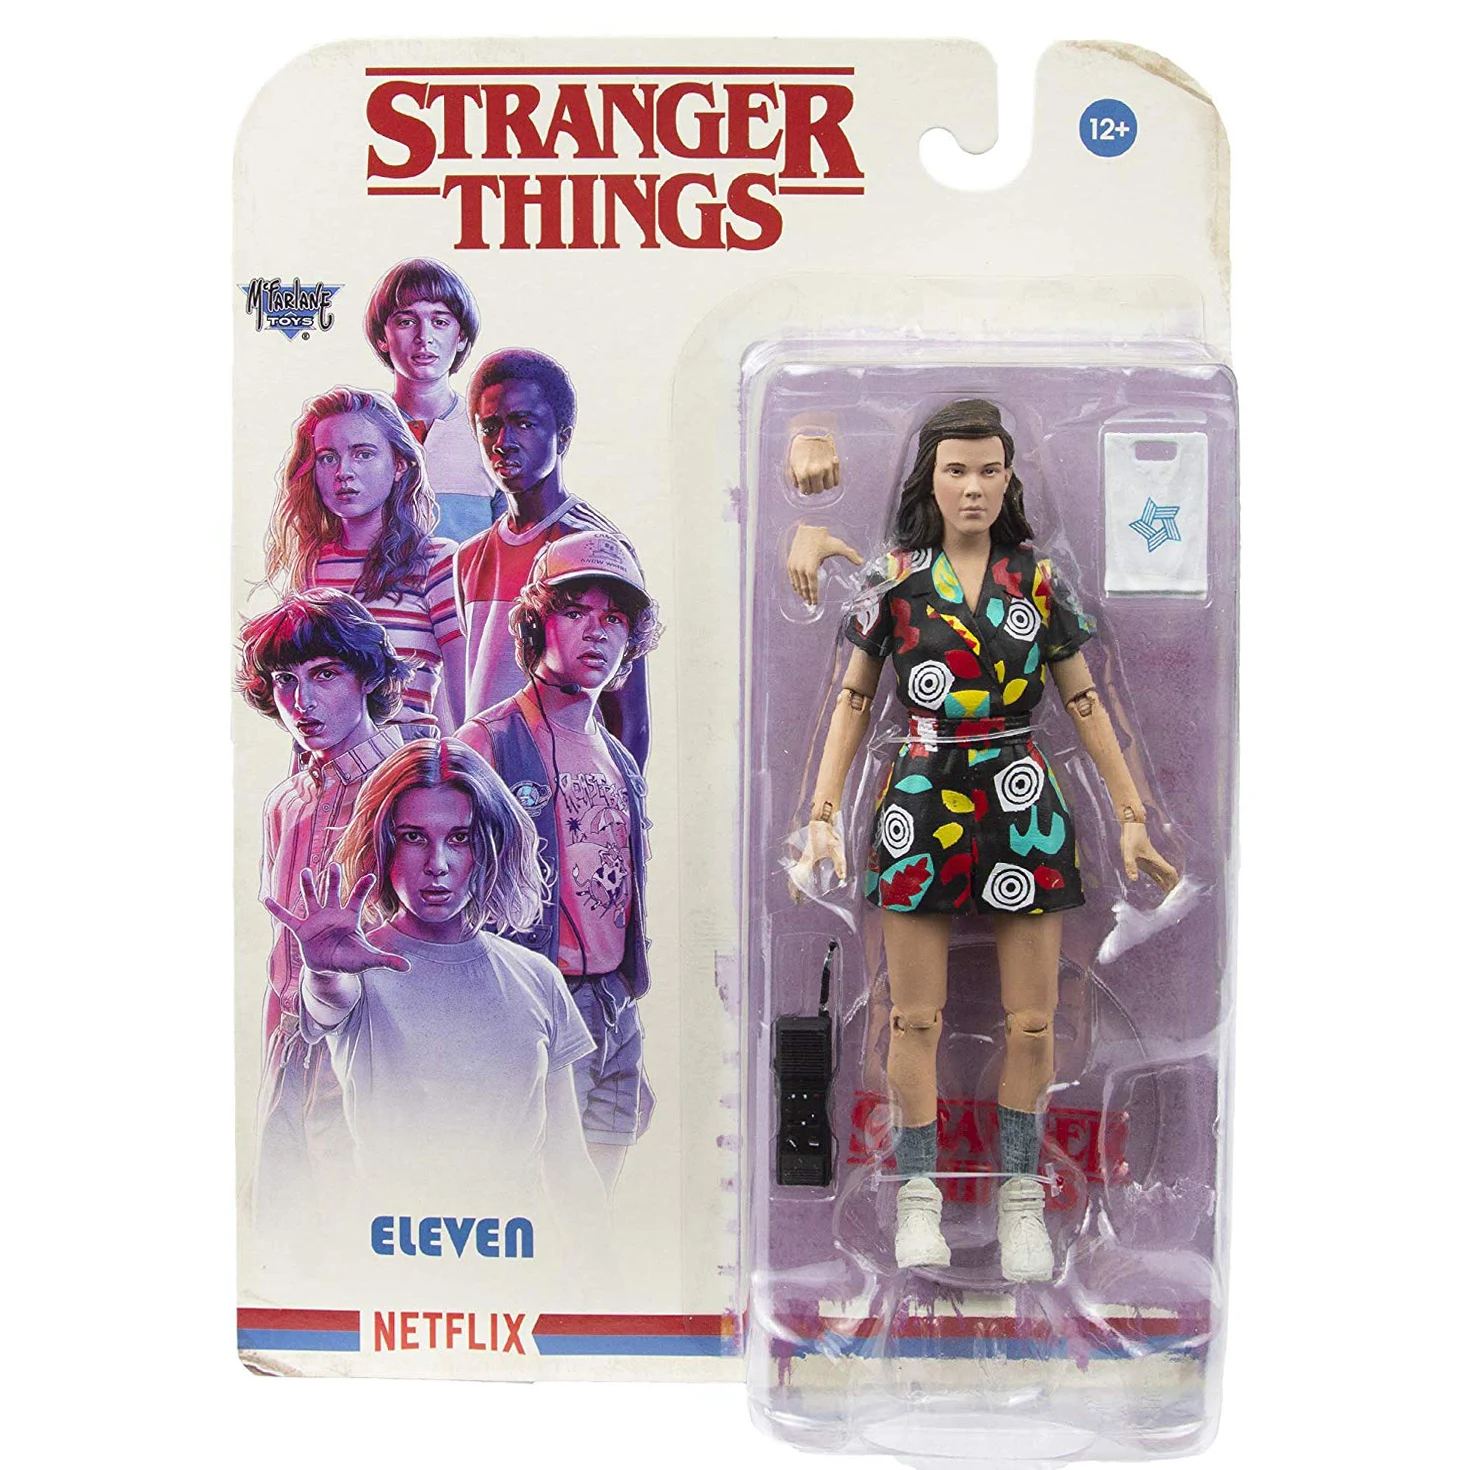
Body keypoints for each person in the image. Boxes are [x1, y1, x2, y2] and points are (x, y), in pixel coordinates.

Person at [793, 400, 1178, 1282]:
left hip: (1020, 796)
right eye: (956, 470)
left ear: (1010, 479)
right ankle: (916, 1199)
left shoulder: (1037, 582)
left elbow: (1085, 700)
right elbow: (854, 698)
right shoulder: (895, 579)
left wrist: (1130, 816)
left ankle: (1021, 1202)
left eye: (989, 470)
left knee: (1035, 1021)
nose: (973, 487)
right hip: (920, 797)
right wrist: (821, 813)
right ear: (929, 479)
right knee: (912, 1017)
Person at [267, 738, 606, 1225]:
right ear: (382, 844)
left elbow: (568, 1164)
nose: (438, 864)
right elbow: (329, 1001)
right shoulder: (358, 969)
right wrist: (322, 971)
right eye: (413, 836)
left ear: (490, 844)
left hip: (512, 1250)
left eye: (460, 837)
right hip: (393, 1247)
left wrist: (599, 1263)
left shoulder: (536, 978)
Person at [457, 532, 661, 1197]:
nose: (597, 631)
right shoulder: (486, 742)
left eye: (615, 618)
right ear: (535, 621)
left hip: (614, 1004)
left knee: (599, 1208)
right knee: (545, 1202)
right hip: (537, 1006)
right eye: (576, 611)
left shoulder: (619, 758)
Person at [236, 588, 411, 1229]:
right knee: (278, 1233)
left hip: (379, 1055)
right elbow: (280, 962)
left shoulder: (410, 783)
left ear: (367, 676)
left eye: (325, 675)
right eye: (286, 681)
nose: (301, 702)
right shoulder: (286, 803)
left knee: (365, 1235)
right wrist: (270, 1083)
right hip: (293, 1053)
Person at [451, 348, 650, 767]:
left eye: (524, 423)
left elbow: (629, 719)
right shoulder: (469, 558)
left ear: (564, 435)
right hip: (484, 782)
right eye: (490, 428)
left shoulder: (596, 548)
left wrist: (618, 802)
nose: (503, 443)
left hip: (565, 784)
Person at [265, 386, 466, 734]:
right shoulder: (311, 565)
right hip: (325, 761)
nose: (343, 472)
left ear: (399, 464)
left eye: (363, 454)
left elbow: (466, 699)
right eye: (328, 457)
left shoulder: (437, 561)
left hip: (408, 757)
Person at [363, 257, 507, 542]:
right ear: (383, 338)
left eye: (440, 322)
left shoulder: (492, 432)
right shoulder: (359, 428)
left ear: (461, 337)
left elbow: (514, 545)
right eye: (406, 322)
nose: (424, 336)